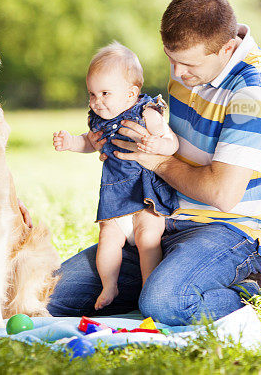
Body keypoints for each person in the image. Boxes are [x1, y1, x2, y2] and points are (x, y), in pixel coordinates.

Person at [48, 0, 261, 325]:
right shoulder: (190, 68)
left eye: (189, 64)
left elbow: (222, 194)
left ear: (226, 48)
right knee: (47, 294)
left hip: (233, 229)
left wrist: (156, 161)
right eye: (170, 59)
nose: (177, 74)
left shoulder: (257, 89)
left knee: (165, 303)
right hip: (162, 217)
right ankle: (170, 281)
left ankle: (249, 291)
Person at [52, 42, 179, 311]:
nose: (97, 101)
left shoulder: (147, 113)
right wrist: (71, 143)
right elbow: (90, 142)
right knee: (108, 238)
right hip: (115, 198)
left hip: (145, 196)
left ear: (131, 93)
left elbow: (171, 141)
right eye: (92, 94)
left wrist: (159, 145)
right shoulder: (98, 120)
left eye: (105, 93)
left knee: (148, 239)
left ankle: (148, 286)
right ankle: (109, 285)